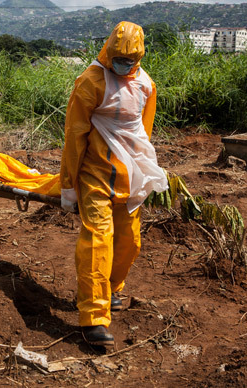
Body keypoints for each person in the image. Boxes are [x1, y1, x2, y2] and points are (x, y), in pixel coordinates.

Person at [60, 21, 169, 346]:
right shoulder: (90, 82)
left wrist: (144, 170)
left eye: (130, 59)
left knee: (130, 241)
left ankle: (111, 288)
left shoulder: (145, 85)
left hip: (130, 176)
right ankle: (93, 317)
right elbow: (74, 134)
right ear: (109, 51)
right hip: (95, 173)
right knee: (98, 240)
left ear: (139, 57)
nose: (123, 64)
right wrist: (69, 184)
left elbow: (142, 133)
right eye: (118, 57)